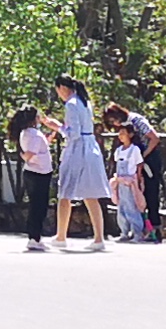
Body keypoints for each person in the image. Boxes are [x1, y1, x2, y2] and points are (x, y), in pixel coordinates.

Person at [51, 75, 110, 252]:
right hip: (90, 147)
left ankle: (61, 236)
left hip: (78, 150)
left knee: (65, 192)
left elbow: (73, 133)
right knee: (90, 195)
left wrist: (58, 127)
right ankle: (99, 237)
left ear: (62, 88)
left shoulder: (71, 104)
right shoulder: (85, 102)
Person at [100, 103, 150, 242]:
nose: (120, 136)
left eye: (123, 133)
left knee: (132, 207)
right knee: (121, 207)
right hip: (121, 181)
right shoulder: (118, 150)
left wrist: (138, 181)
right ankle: (124, 231)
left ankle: (137, 232)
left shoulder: (134, 150)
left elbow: (139, 165)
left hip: (131, 182)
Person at [11, 106, 55, 252]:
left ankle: (34, 237)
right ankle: (34, 237)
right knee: (39, 206)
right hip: (39, 173)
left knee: (35, 205)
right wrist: (24, 157)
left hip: (32, 172)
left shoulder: (26, 133)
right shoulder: (34, 134)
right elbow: (30, 153)